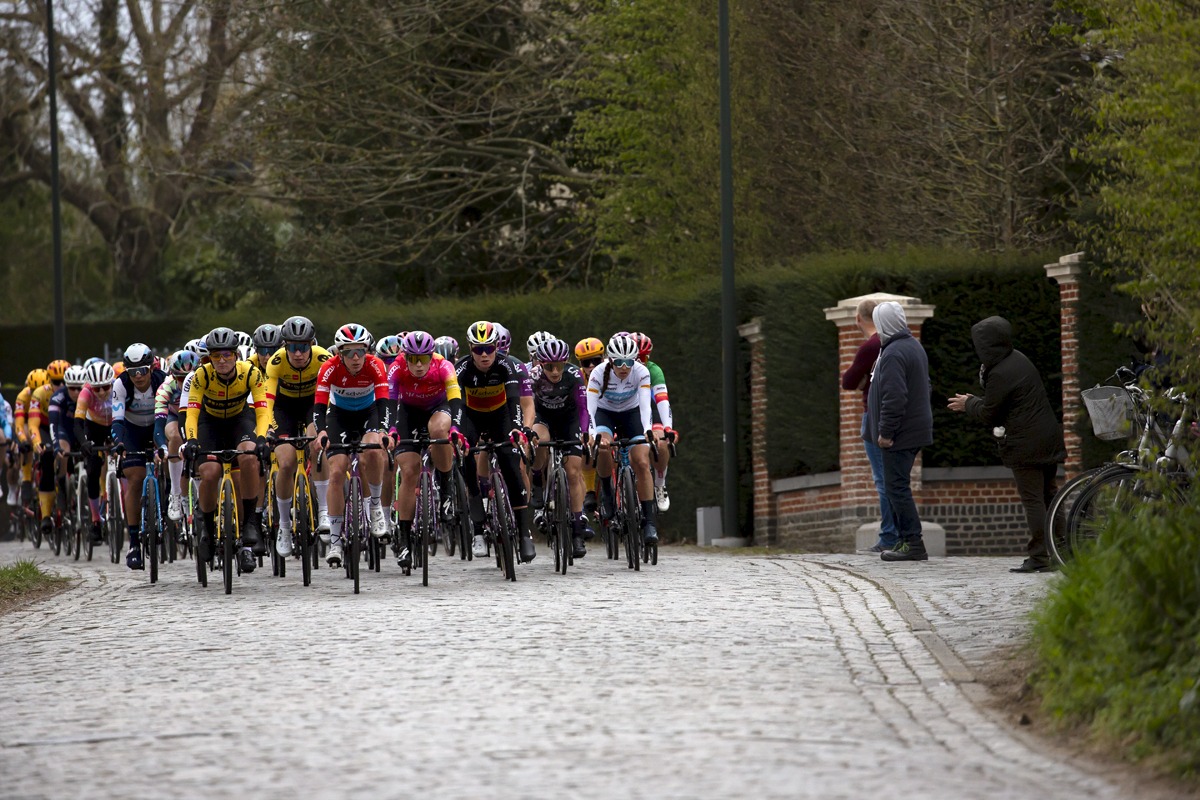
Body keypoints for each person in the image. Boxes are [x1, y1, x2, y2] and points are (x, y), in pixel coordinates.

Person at [948, 316, 1067, 573]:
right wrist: (977, 400)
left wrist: (968, 403)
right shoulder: (1018, 359)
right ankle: (1065, 550)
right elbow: (1003, 403)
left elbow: (990, 413)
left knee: (1034, 500)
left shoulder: (1000, 372)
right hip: (1046, 436)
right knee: (1050, 496)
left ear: (987, 346)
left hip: (1026, 443)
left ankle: (1039, 556)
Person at [864, 301, 933, 562]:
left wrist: (886, 431)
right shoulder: (911, 345)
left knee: (896, 487)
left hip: (901, 432)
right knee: (896, 486)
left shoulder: (893, 352)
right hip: (913, 428)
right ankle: (906, 541)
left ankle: (912, 542)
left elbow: (894, 397)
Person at [841, 299, 898, 553]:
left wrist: (864, 379)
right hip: (894, 415)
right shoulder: (893, 343)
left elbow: (848, 381)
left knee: (882, 478)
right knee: (894, 477)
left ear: (858, 319)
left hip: (873, 415)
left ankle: (889, 536)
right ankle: (896, 532)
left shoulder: (871, 346)